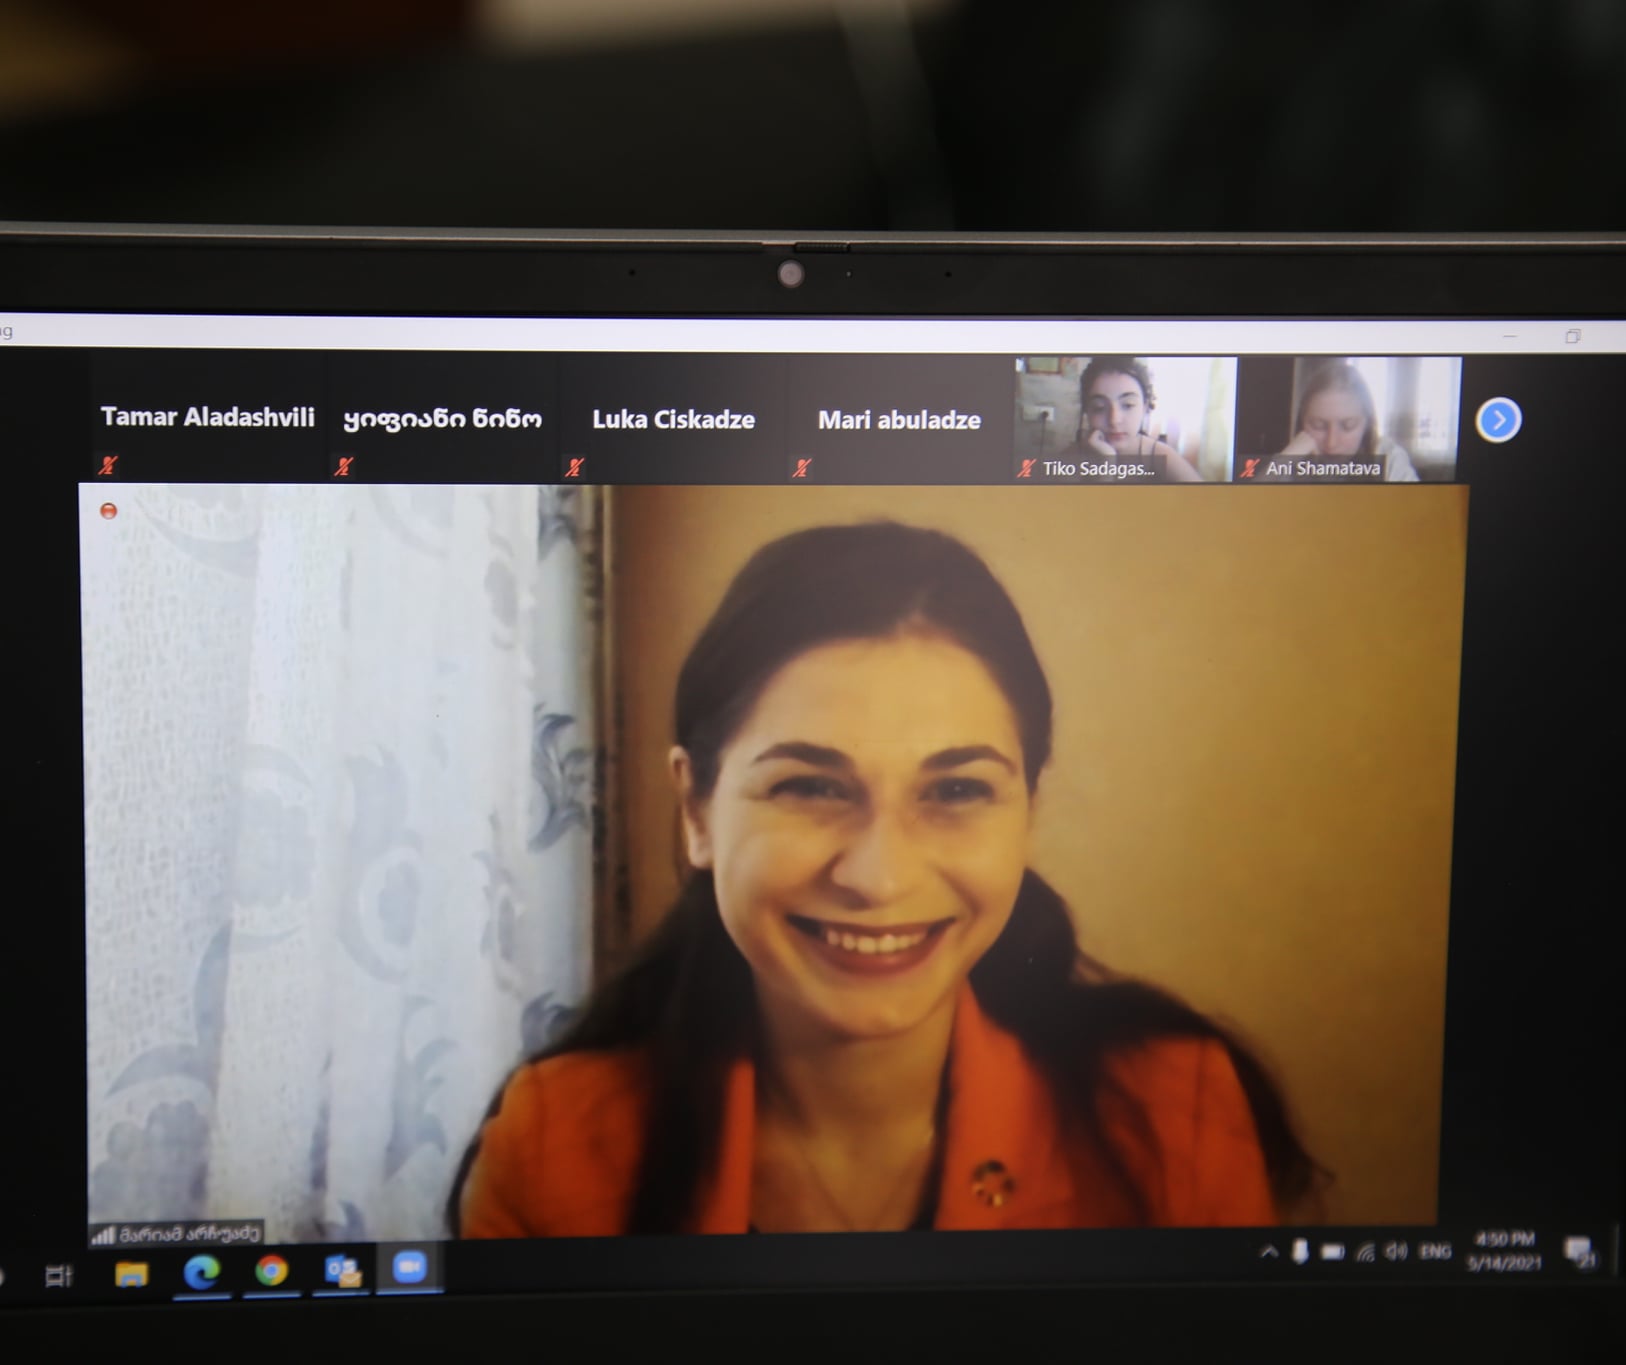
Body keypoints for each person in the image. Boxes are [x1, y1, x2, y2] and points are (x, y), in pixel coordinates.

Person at [451, 522, 1319, 1236]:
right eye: (810, 787)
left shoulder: (1169, 1116)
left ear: (1028, 811)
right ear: (698, 809)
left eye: (956, 791)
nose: (880, 875)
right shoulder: (554, 1147)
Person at [1063, 356, 1204, 481]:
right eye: (1099, 408)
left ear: (1145, 407)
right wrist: (1105, 470)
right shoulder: (1069, 459)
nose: (1114, 420)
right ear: (1087, 411)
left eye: (1128, 405)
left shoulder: (1161, 456)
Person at [1279, 359, 1420, 481]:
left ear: (1367, 424)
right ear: (1302, 422)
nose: (1331, 443)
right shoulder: (1293, 459)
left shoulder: (1389, 458)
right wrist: (1281, 464)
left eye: (1348, 426)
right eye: (1318, 425)